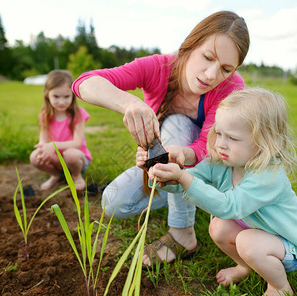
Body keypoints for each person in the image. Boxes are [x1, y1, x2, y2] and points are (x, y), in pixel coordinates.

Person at [72, 11, 250, 265]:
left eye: (225, 68)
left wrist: (182, 154)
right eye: (207, 57)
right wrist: (130, 103)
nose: (211, 75)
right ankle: (186, 194)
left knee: (177, 122)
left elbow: (207, 146)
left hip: (211, 169)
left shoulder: (232, 87)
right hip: (167, 163)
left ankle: (182, 233)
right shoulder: (158, 67)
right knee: (114, 203)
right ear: (190, 45)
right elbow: (84, 82)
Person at [142, 88, 297, 296]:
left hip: (289, 247)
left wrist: (183, 177)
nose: (220, 144)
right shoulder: (224, 162)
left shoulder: (268, 176)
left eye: (232, 138)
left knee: (246, 241)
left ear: (264, 143)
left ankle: (279, 287)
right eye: (219, 133)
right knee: (218, 226)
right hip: (257, 234)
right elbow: (187, 182)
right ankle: (244, 266)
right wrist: (160, 174)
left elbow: (229, 206)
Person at [30, 70, 92, 191]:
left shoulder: (78, 114)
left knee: (70, 154)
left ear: (73, 95)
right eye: (56, 97)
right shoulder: (44, 115)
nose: (62, 102)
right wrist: (43, 148)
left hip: (77, 160)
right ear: (47, 94)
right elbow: (43, 140)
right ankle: (56, 175)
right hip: (57, 161)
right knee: (35, 157)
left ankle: (76, 175)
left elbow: (77, 143)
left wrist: (53, 146)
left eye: (66, 96)